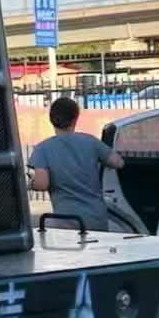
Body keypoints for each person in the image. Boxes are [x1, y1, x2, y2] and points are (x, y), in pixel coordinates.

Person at [27, 97, 127, 232]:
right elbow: (118, 162)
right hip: (97, 219)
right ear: (75, 118)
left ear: (51, 119)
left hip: (66, 221)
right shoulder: (91, 142)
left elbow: (42, 184)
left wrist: (31, 183)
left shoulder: (42, 149)